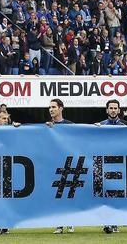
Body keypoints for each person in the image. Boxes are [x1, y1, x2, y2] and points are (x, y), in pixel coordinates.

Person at [94, 99, 126, 234]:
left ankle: (116, 223)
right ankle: (107, 223)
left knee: (117, 194)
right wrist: (93, 129)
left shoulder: (126, 125)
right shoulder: (99, 125)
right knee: (105, 194)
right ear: (107, 110)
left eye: (115, 108)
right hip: (104, 164)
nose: (113, 110)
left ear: (119, 110)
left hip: (120, 164)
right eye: (111, 108)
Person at [46, 99, 73, 234]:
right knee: (56, 195)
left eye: (54, 107)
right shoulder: (46, 126)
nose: (51, 109)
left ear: (61, 108)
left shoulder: (70, 125)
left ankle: (70, 221)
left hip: (68, 164)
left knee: (68, 194)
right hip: (52, 164)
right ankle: (59, 224)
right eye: (49, 107)